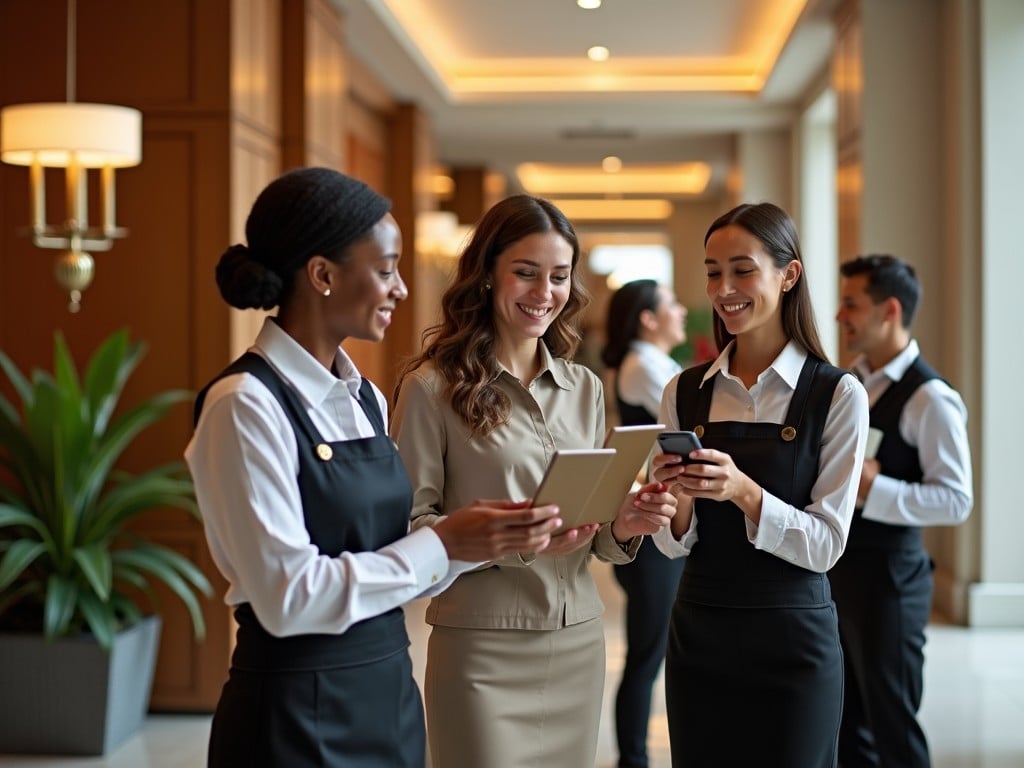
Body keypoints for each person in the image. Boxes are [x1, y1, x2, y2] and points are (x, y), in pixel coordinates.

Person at [184, 168, 565, 768]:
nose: (402, 289)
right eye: (386, 269)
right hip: (293, 710)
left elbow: (396, 557)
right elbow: (289, 598)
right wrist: (442, 543)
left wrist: (487, 538)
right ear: (323, 275)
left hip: (386, 690)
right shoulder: (243, 405)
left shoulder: (363, 397)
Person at [390, 194, 678, 768]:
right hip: (481, 646)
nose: (544, 293)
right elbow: (409, 529)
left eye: (559, 276)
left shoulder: (586, 388)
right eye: (525, 273)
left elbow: (595, 532)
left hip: (577, 639)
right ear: (486, 275)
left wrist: (625, 522)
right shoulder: (430, 389)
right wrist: (513, 537)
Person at [650, 202, 870, 768]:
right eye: (712, 271)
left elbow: (826, 545)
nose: (724, 289)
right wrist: (671, 500)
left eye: (742, 269)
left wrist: (742, 490)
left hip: (794, 641)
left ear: (788, 274)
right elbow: (677, 542)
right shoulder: (684, 391)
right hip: (700, 631)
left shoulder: (838, 395)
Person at [831, 254, 974, 768]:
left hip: (892, 581)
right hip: (844, 572)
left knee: (893, 724)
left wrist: (876, 487)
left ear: (888, 310)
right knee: (847, 721)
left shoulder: (930, 398)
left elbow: (956, 499)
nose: (839, 315)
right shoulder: (853, 381)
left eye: (851, 304)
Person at [600, 279, 688, 768]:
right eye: (670, 304)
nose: (680, 310)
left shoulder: (647, 364)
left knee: (652, 649)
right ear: (648, 319)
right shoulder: (643, 367)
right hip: (650, 531)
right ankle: (632, 758)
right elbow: (694, 426)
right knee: (647, 653)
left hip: (656, 526)